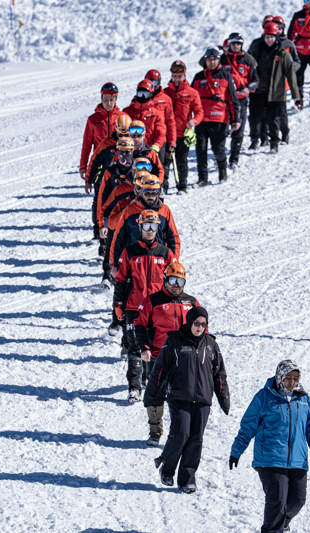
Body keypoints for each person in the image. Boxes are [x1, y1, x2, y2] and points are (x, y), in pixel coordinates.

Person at [229, 360, 310, 533]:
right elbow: (248, 426)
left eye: (295, 378)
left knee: (297, 501)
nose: (292, 382)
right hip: (270, 458)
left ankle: (283, 521)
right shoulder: (264, 397)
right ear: (280, 377)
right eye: (288, 377)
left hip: (298, 460)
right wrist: (236, 451)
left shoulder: (304, 399)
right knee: (277, 500)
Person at [144, 306, 229, 494]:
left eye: (203, 324)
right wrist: (152, 395)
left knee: (196, 438)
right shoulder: (174, 341)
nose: (199, 327)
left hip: (203, 399)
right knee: (181, 433)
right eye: (196, 323)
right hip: (179, 396)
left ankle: (187, 479)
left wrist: (223, 397)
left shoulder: (211, 345)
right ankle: (167, 469)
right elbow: (160, 369)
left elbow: (219, 374)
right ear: (189, 322)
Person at [113, 210, 177, 403]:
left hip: (158, 309)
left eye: (154, 227)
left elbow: (174, 283)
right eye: (146, 226)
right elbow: (121, 280)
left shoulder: (166, 253)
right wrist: (118, 306)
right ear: (140, 227)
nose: (150, 230)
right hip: (134, 307)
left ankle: (150, 381)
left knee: (156, 347)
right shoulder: (130, 251)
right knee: (134, 347)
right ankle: (134, 387)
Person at [134, 263, 200, 446]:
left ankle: (182, 433)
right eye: (172, 280)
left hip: (185, 358)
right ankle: (155, 431)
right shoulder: (152, 300)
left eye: (180, 280)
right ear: (165, 279)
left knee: (185, 396)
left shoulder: (192, 303)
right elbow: (139, 324)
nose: (176, 284)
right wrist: (143, 348)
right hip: (158, 356)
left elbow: (202, 328)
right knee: (156, 394)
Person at [191, 48, 241, 186]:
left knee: (218, 149)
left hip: (219, 120)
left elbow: (233, 99)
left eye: (214, 60)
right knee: (200, 150)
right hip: (200, 120)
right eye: (209, 60)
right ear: (205, 60)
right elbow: (190, 99)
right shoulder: (198, 77)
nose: (211, 62)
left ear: (218, 60)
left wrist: (236, 119)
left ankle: (222, 168)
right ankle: (203, 178)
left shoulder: (226, 76)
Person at [80, 83, 124, 238]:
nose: (108, 102)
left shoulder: (122, 118)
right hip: (101, 165)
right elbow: (86, 144)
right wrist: (83, 167)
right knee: (99, 200)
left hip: (120, 165)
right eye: (105, 99)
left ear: (116, 99)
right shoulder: (93, 119)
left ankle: (118, 230)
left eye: (111, 99)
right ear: (101, 98)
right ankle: (97, 232)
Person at [249, 22, 301, 151]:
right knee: (255, 117)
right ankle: (255, 140)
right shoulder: (257, 48)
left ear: (276, 36)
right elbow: (246, 64)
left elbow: (291, 75)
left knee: (273, 119)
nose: (269, 39)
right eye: (267, 36)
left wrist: (296, 95)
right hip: (258, 90)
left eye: (271, 36)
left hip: (276, 91)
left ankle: (274, 143)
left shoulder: (283, 53)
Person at [109, 176, 179, 271]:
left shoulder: (164, 211)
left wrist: (173, 263)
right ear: (141, 192)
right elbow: (118, 238)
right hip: (133, 261)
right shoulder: (130, 210)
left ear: (157, 193)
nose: (150, 197)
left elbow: (173, 239)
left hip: (158, 261)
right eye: (147, 194)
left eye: (153, 194)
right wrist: (114, 264)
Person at [94, 136, 136, 267]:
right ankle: (107, 275)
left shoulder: (136, 170)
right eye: (122, 151)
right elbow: (101, 197)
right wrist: (102, 224)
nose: (125, 154)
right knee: (112, 245)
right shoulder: (111, 171)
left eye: (128, 151)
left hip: (131, 214)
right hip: (113, 214)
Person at [163, 61, 204, 194]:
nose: (176, 78)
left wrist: (194, 121)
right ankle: (164, 187)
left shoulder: (192, 92)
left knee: (181, 161)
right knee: (165, 161)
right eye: (174, 76)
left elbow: (199, 112)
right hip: (167, 133)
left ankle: (182, 186)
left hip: (183, 133)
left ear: (185, 75)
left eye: (179, 76)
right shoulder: (165, 92)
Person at [221, 33, 259, 169]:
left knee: (239, 129)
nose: (236, 46)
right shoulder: (222, 60)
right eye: (233, 43)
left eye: (238, 43)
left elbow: (256, 80)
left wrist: (248, 89)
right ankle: (220, 157)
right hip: (224, 101)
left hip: (241, 100)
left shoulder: (248, 61)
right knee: (222, 129)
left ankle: (234, 159)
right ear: (229, 44)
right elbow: (205, 66)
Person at [144, 69, 177, 191]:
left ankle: (162, 185)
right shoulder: (143, 95)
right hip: (144, 136)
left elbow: (170, 121)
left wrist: (172, 141)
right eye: (149, 81)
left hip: (160, 137)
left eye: (154, 81)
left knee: (161, 162)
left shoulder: (165, 99)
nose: (152, 84)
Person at [123, 80, 167, 155]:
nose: (143, 97)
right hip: (130, 150)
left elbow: (161, 133)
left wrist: (156, 146)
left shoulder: (156, 113)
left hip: (149, 150)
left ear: (151, 94)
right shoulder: (127, 112)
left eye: (145, 94)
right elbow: (121, 130)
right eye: (140, 94)